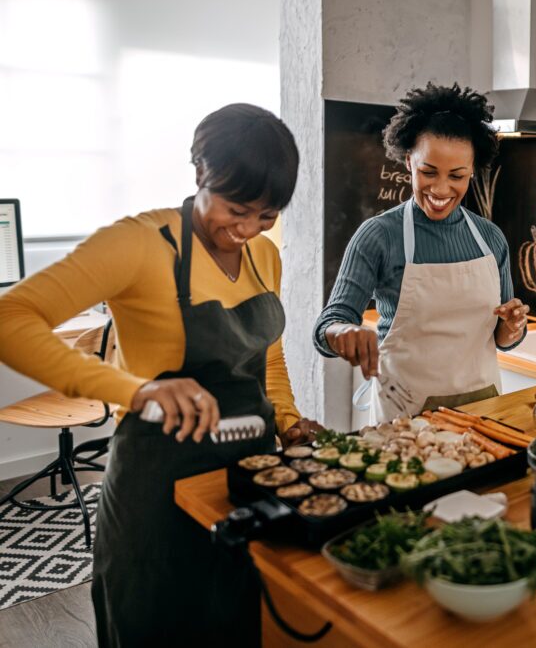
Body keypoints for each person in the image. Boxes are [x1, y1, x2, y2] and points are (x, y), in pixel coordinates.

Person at [0, 103, 323, 646]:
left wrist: (288, 421)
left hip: (246, 473)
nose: (246, 229)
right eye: (237, 208)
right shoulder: (139, 242)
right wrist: (136, 389)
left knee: (235, 623)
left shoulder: (265, 255)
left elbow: (266, 355)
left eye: (266, 215)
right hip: (157, 485)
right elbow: (11, 319)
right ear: (201, 174)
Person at [314, 83, 528, 422]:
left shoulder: (490, 238)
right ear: (408, 162)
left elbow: (501, 339)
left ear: (472, 171)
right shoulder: (378, 236)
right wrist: (343, 332)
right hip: (405, 419)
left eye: (457, 176)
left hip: (482, 415)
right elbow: (327, 326)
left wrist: (513, 327)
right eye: (429, 172)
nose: (442, 189)